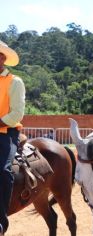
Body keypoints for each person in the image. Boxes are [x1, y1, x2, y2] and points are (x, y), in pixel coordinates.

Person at [0, 41, 26, 235]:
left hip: (6, 132)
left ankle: (1, 222)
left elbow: (17, 113)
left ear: (2, 58)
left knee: (3, 170)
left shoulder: (14, 81)